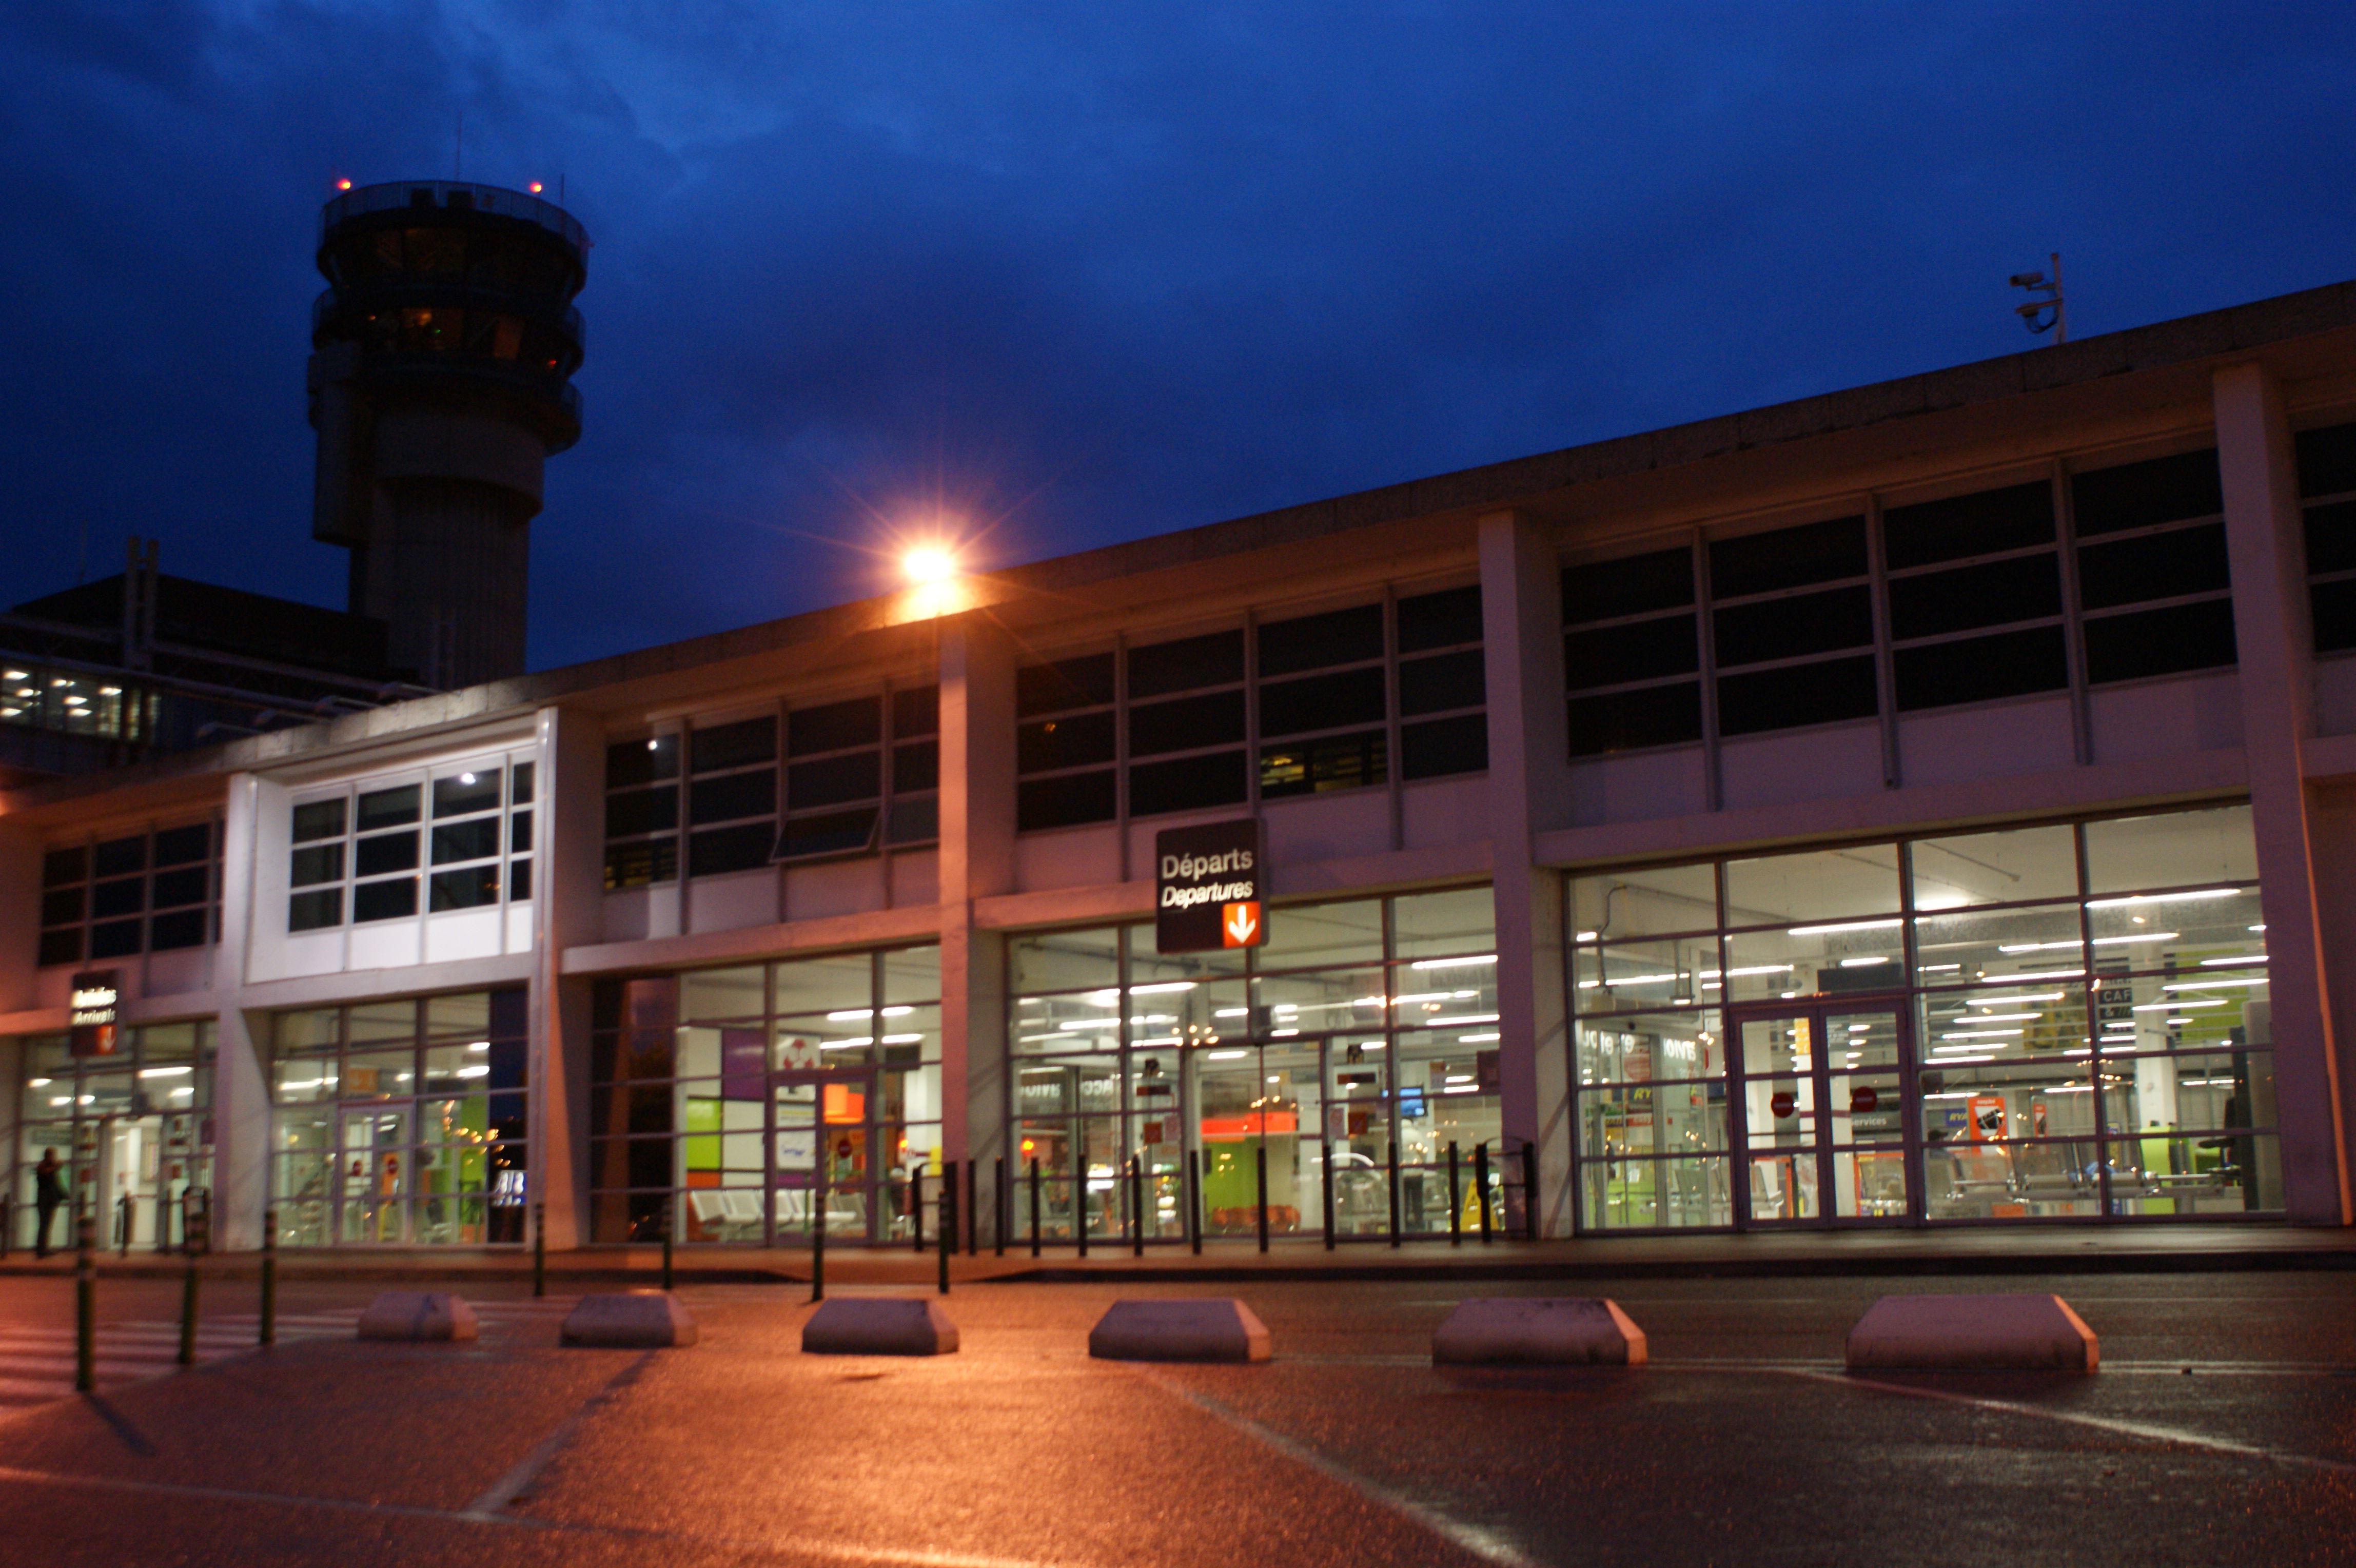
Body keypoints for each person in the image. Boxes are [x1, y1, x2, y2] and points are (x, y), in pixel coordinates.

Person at [32, 1150, 67, 1259]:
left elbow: (56, 1183)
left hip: (49, 1200)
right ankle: (41, 1249)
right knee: (44, 1224)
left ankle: (43, 1248)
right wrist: (56, 1167)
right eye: (52, 1155)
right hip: (45, 1200)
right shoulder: (43, 1166)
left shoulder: (50, 1167)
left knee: (46, 1225)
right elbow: (44, 1173)